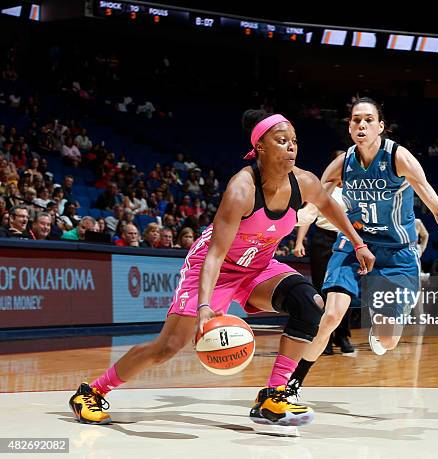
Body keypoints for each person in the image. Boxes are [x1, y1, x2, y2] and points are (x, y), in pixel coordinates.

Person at [68, 110, 374, 427]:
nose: (291, 147)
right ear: (261, 148)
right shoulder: (241, 190)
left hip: (258, 267)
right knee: (168, 346)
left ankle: (275, 395)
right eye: (281, 141)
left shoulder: (305, 182)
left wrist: (358, 243)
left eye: (294, 141)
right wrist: (204, 305)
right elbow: (215, 254)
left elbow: (328, 206)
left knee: (310, 306)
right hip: (217, 266)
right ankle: (92, 392)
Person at [288, 97, 438, 391]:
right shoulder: (342, 163)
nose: (362, 124)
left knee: (389, 340)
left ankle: (380, 331)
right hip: (354, 247)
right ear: (350, 127)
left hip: (397, 254)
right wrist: (289, 219)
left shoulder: (398, 158)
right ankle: (291, 385)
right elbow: (315, 204)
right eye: (356, 120)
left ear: (381, 127)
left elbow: (436, 207)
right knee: (329, 317)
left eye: (368, 119)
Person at [294, 151, 355, 355]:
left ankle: (343, 336)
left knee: (342, 289)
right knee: (321, 289)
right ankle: (323, 338)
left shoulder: (353, 191)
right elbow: (308, 214)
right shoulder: (322, 188)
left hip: (344, 239)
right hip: (322, 238)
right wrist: (299, 241)